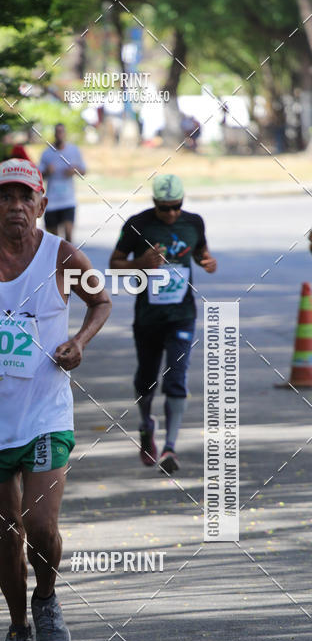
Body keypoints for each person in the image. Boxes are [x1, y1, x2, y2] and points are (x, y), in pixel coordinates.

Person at [0, 158, 111, 641]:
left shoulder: (62, 255)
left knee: (40, 524)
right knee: (5, 531)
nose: (16, 207)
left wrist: (78, 342)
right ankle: (17, 628)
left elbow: (100, 301)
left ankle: (47, 597)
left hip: (46, 411)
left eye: (26, 198)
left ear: (42, 205)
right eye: (6, 198)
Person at [109, 173, 217, 474]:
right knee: (146, 379)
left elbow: (201, 252)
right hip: (147, 317)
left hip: (182, 315)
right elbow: (114, 263)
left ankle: (170, 448)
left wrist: (207, 261)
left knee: (176, 379)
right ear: (154, 203)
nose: (171, 213)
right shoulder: (137, 225)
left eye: (176, 207)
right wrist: (139, 263)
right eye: (164, 207)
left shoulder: (194, 223)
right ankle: (146, 425)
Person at [39, 123, 86, 242]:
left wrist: (74, 170)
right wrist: (47, 171)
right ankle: (56, 260)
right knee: (53, 239)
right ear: (54, 134)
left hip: (68, 200)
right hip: (52, 201)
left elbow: (83, 171)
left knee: (68, 234)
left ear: (65, 134)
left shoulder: (73, 150)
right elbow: (39, 175)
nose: (59, 134)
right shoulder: (47, 153)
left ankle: (69, 260)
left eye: (61, 132)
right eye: (57, 132)